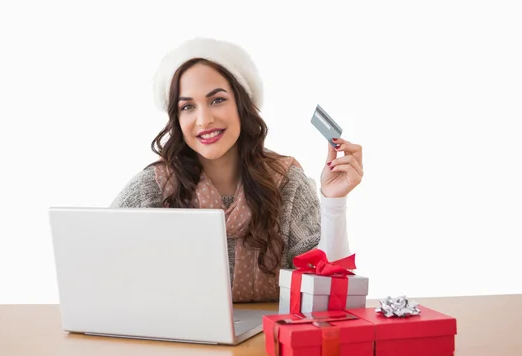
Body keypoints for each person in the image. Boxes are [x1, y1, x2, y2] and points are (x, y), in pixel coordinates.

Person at [110, 37, 364, 303]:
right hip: (179, 342)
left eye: (217, 100)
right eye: (187, 106)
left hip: (268, 341)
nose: (204, 119)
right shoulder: (152, 187)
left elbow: (330, 290)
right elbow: (101, 265)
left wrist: (334, 202)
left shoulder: (286, 183)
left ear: (243, 105)